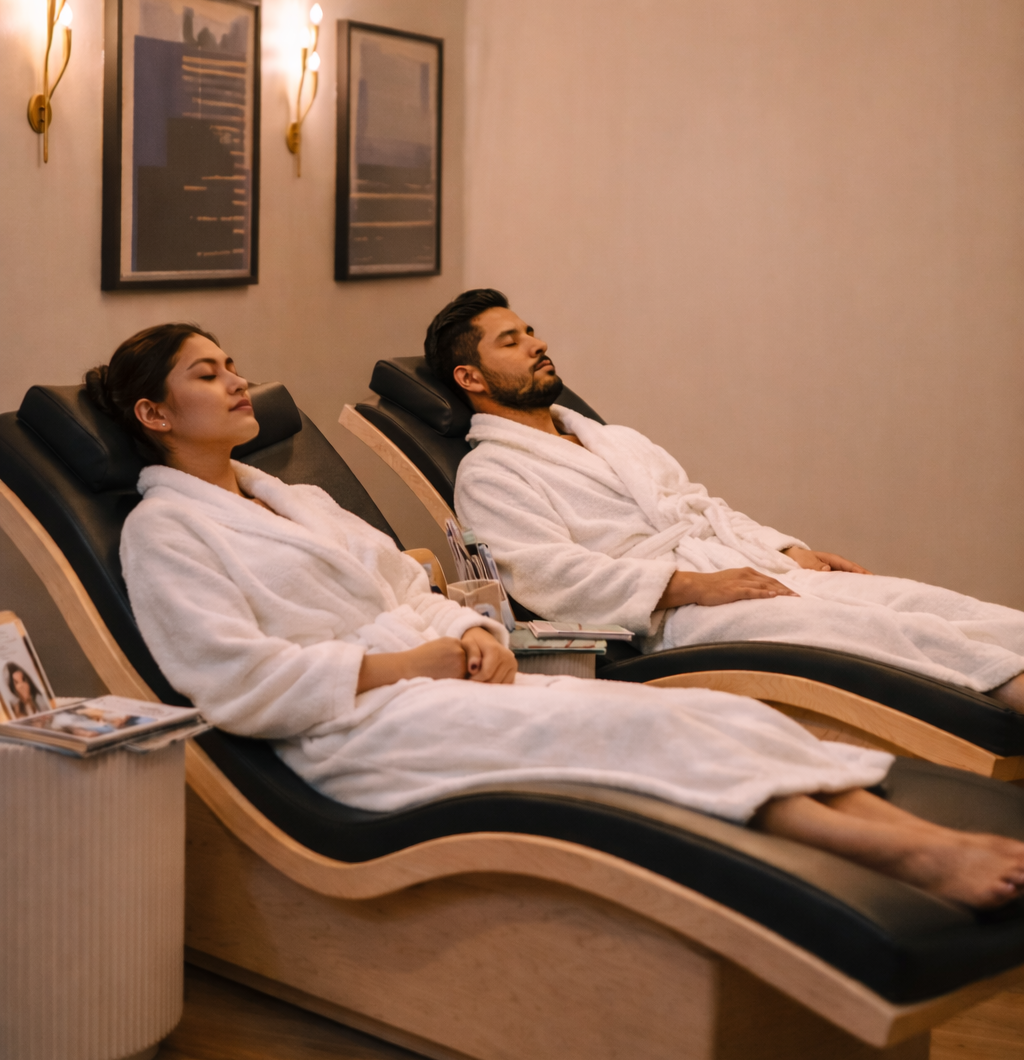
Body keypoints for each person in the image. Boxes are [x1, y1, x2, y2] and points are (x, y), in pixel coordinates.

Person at [77, 321, 1024, 911]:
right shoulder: (165, 535)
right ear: (155, 415)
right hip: (356, 730)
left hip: (443, 682)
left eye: (234, 364)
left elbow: (412, 593)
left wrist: (477, 633)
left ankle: (918, 837)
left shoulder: (291, 500)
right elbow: (238, 683)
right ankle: (899, 851)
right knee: (622, 734)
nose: (238, 381)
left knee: (711, 711)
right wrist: (420, 666)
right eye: (209, 374)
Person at [427, 290, 1024, 713]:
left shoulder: (610, 439)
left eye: (530, 331)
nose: (538, 343)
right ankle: (1008, 693)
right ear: (471, 378)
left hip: (742, 573)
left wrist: (788, 547)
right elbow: (549, 578)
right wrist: (690, 586)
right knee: (862, 629)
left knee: (910, 599)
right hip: (675, 618)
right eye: (512, 340)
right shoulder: (491, 474)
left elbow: (700, 505)